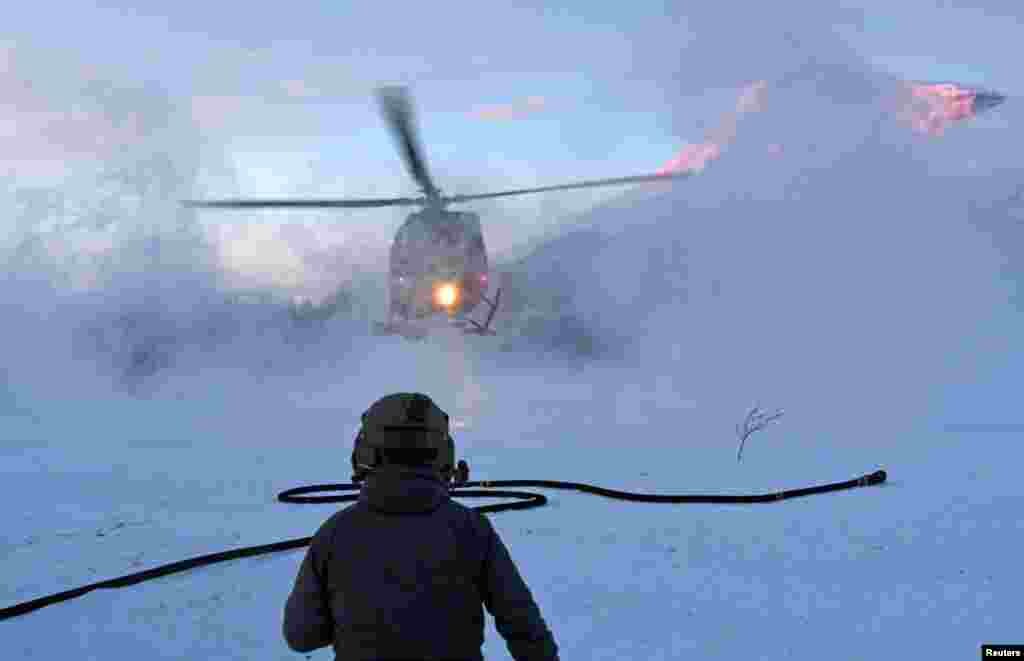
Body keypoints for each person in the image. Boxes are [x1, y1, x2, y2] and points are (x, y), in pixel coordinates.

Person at [283, 392, 560, 661]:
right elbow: (524, 626)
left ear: (364, 454)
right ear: (443, 454)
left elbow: (302, 636)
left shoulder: (334, 534)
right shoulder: (472, 530)